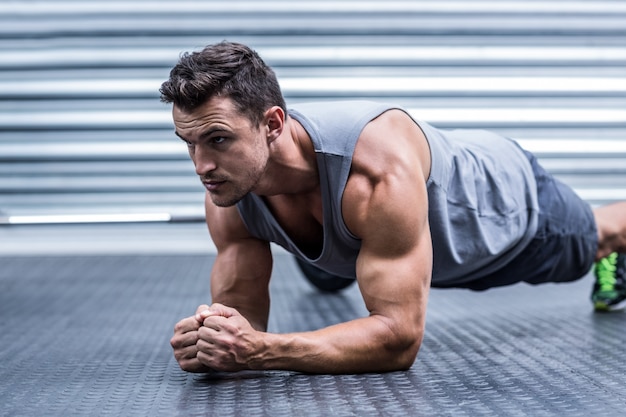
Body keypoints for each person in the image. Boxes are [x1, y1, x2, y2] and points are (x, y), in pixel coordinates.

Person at [160, 41, 626, 374]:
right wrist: (215, 341)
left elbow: (399, 340)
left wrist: (260, 351)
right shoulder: (228, 184)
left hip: (499, 209)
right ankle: (332, 252)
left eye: (218, 139)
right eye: (190, 144)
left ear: (273, 124)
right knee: (345, 248)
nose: (201, 165)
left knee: (595, 239)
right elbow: (240, 316)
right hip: (364, 229)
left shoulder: (375, 172)